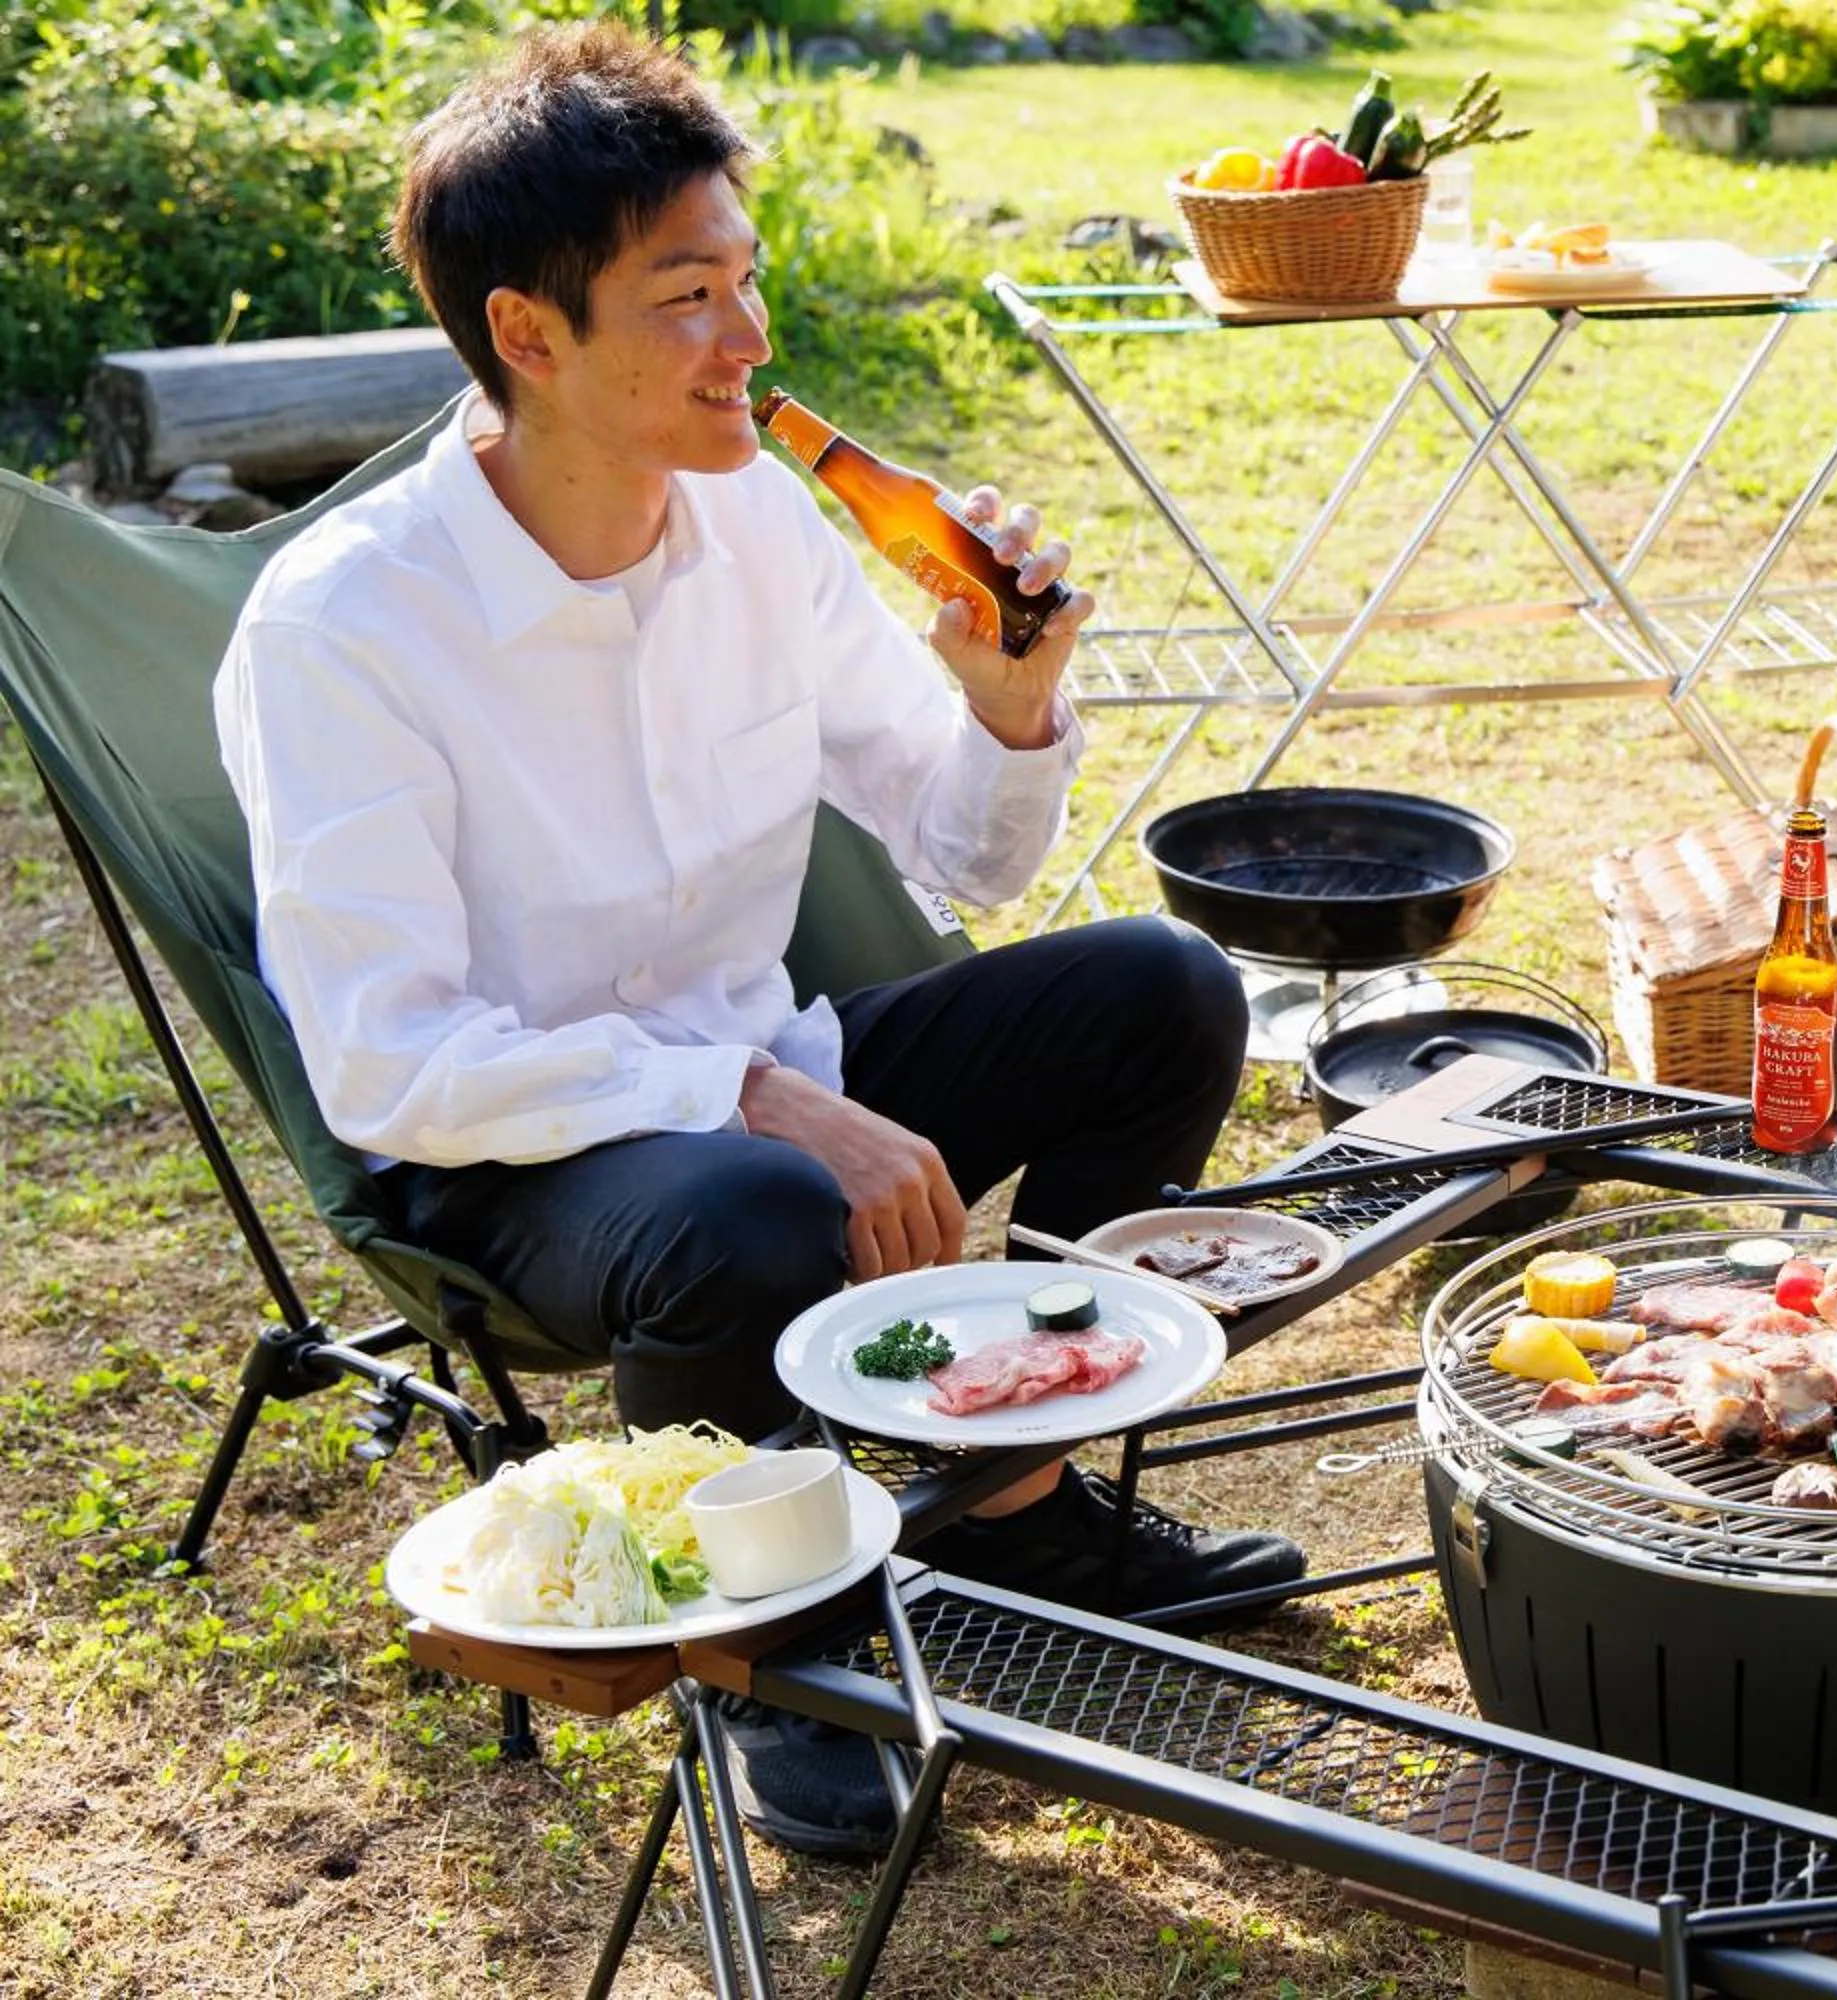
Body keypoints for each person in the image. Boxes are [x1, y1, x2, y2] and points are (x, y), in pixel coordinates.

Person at [212, 22, 1299, 1852]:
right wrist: (763, 1100)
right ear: (530, 336)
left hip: (754, 1074)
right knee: (757, 1199)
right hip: (506, 1154)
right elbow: (394, 1061)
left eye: (750, 279)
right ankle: (770, 1650)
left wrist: (1009, 703)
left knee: (1165, 993)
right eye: (690, 297)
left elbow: (969, 848)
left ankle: (1019, 1506)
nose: (754, 341)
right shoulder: (346, 626)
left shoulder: (763, 531)